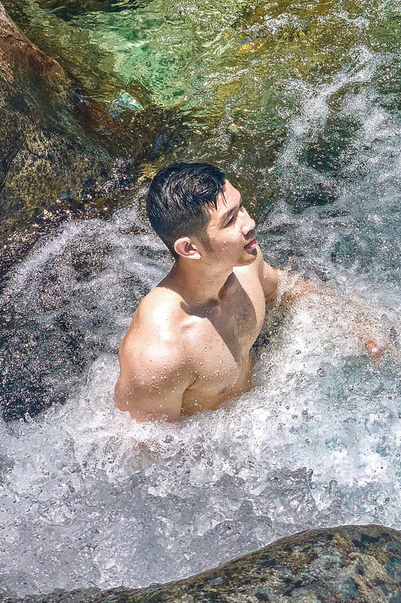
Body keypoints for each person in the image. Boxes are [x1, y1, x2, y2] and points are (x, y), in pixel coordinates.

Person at [115, 162, 280, 422]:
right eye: (230, 220)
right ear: (190, 248)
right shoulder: (160, 353)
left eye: (241, 208)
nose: (250, 224)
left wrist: (362, 329)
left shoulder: (245, 262)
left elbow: (286, 292)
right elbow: (146, 450)